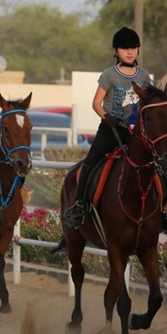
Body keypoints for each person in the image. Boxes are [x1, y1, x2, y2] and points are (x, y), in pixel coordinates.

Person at [62, 27, 154, 230]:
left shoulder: (145, 76)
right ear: (115, 50)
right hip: (111, 129)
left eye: (133, 48)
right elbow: (96, 102)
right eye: (124, 48)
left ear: (138, 50)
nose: (129, 52)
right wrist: (107, 117)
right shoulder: (109, 75)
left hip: (136, 133)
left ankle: (162, 211)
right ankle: (78, 205)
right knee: (90, 162)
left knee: (154, 165)